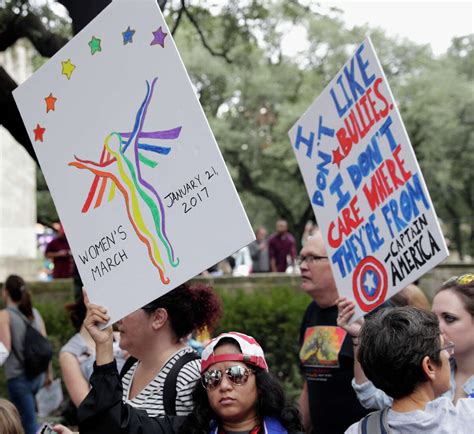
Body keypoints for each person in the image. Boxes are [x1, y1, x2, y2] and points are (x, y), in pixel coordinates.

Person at [70, 294, 303, 434]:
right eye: (212, 379)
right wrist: (103, 347)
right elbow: (114, 426)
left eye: (236, 374)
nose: (223, 386)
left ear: (261, 383)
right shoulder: (187, 429)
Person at [338, 274, 474, 409]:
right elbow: (370, 396)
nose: (436, 327)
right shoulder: (427, 368)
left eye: (449, 318)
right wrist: (359, 337)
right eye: (433, 317)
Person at [344, 306, 474, 433]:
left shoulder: (359, 430)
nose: (448, 354)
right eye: (444, 348)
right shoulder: (467, 418)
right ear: (429, 366)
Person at [298, 232, 369, 433]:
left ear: (339, 263)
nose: (303, 265)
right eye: (301, 258)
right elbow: (310, 382)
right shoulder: (311, 311)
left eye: (312, 258)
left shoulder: (368, 313)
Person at [0, 275, 52, 434]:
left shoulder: (5, 315)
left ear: (6, 292)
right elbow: (45, 345)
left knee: (26, 425)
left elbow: (5, 348)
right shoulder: (34, 313)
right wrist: (48, 373)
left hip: (18, 378)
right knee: (32, 419)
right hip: (38, 376)